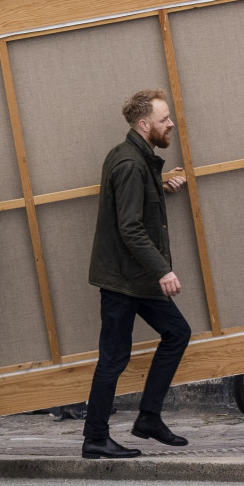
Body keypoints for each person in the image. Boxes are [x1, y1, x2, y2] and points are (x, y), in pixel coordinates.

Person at [81, 89, 192, 458]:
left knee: (177, 333)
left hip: (134, 278)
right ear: (144, 125)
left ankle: (148, 418)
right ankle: (95, 438)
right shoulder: (130, 163)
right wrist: (163, 270)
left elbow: (129, 202)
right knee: (113, 358)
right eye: (164, 120)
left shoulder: (134, 158)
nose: (170, 124)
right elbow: (130, 227)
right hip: (124, 280)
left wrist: (160, 186)